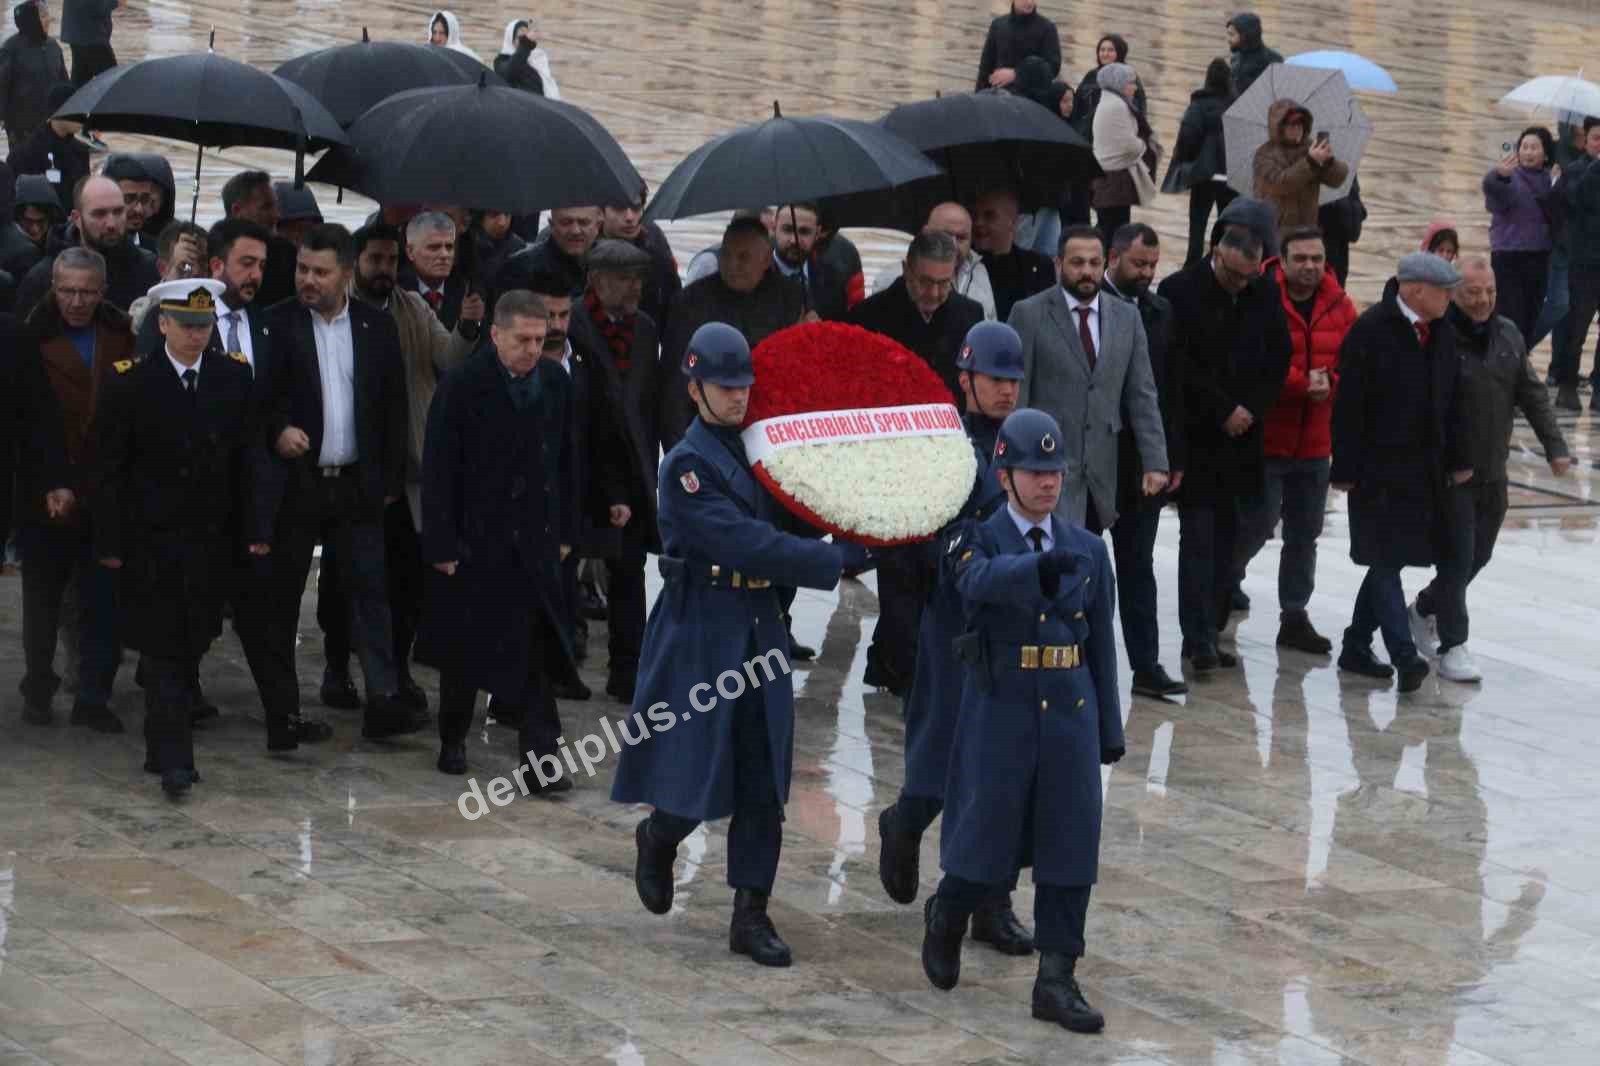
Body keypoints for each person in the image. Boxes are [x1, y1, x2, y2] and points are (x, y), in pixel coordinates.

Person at [614, 321, 844, 967]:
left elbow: (800, 507)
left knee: (762, 775)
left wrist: (857, 517)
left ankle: (751, 913)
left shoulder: (762, 447)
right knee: (695, 767)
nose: (738, 397)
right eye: (723, 386)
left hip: (759, 621)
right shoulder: (688, 465)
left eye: (744, 385)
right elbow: (746, 542)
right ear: (694, 388)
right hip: (702, 625)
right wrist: (828, 561)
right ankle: (660, 835)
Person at [920, 406, 1120, 1037]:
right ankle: (948, 913)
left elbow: (1100, 645)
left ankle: (1056, 978)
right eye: (1033, 471)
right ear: (1004, 474)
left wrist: (1108, 728)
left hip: (1068, 710)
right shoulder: (976, 537)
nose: (1047, 483)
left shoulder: (1087, 547)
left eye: (1054, 470)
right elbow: (975, 583)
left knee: (1070, 847)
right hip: (1001, 705)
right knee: (985, 836)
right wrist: (1036, 570)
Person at [878, 321, 1023, 948]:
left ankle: (992, 902)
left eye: (1014, 380)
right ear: (966, 379)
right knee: (939, 762)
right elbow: (909, 539)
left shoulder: (1023, 443)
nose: (1007, 392)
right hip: (949, 623)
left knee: (1001, 774)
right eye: (995, 379)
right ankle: (904, 822)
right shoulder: (942, 446)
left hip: (1007, 629)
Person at [92, 278, 268, 794]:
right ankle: (176, 760)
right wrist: (110, 541)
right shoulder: (130, 382)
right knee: (166, 648)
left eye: (204, 325)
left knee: (193, 641)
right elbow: (108, 470)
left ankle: (158, 743)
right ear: (162, 324)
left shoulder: (232, 379)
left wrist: (257, 529)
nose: (196, 335)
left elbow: (249, 459)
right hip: (152, 542)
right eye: (186, 325)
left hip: (212, 541)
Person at [258, 224, 418, 742]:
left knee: (371, 591)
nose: (307, 279)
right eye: (302, 269)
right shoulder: (276, 324)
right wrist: (278, 430)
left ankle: (383, 699)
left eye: (319, 272)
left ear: (346, 275)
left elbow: (394, 405)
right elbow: (258, 401)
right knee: (283, 597)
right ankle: (282, 709)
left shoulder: (375, 326)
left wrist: (388, 477)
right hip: (298, 483)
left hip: (357, 484)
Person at [416, 289, 584, 779]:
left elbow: (569, 461)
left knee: (537, 650)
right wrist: (442, 543)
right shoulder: (463, 384)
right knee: (466, 650)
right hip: (476, 539)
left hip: (535, 538)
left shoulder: (555, 382)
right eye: (523, 339)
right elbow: (439, 468)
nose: (533, 349)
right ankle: (453, 737)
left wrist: (568, 530)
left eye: (541, 339)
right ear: (495, 335)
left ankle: (542, 759)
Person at [317, 222, 480, 714]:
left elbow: (449, 359)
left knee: (406, 582)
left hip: (409, 473)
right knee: (343, 582)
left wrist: (469, 327)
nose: (385, 269)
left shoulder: (412, 307)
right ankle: (337, 668)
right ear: (353, 265)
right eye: (376, 260)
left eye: (392, 261)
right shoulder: (335, 312)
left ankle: (395, 673)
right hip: (354, 472)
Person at [1409, 257, 1569, 683]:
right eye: (1472, 293)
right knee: (1458, 557)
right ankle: (1453, 645)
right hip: (1452, 472)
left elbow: (1532, 394)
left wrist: (1556, 447)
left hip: (1492, 470)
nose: (1482, 301)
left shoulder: (1509, 335)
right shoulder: (1441, 339)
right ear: (1456, 294)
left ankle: (1424, 608)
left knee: (1479, 555)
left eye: (1489, 292)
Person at [849, 230, 985, 695]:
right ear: (907, 271)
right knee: (898, 571)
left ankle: (893, 662)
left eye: (944, 283)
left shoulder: (969, 316)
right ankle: (904, 671)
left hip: (946, 461)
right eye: (925, 282)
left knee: (937, 570)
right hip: (890, 464)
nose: (933, 293)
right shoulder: (870, 317)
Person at [1331, 252, 1473, 694]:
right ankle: (1404, 656)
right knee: (1385, 559)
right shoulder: (1371, 331)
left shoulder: (1443, 333)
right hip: (1376, 470)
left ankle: (1356, 643)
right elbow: (1349, 406)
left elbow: (1456, 400)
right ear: (1414, 290)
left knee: (1385, 559)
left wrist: (1459, 457)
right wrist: (1346, 467)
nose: (1452, 297)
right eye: (1444, 290)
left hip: (1424, 471)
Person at [1158, 209, 1291, 672]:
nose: (1240, 284)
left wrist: (1250, 408)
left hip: (1244, 441)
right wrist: (1222, 410)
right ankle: (1196, 641)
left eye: (1248, 276)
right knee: (1197, 541)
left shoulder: (1262, 293)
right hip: (1198, 439)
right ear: (1216, 254)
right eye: (1233, 275)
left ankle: (1213, 628)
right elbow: (1178, 367)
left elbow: (1278, 358)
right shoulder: (1179, 292)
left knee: (1232, 541)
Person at [16, 245, 130, 730]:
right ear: (53, 288)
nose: (77, 301)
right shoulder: (29, 337)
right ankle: (39, 687)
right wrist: (50, 483)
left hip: (106, 487)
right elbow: (23, 424)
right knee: (42, 601)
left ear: (102, 291)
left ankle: (93, 695)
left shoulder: (121, 333)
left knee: (103, 599)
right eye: (68, 291)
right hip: (46, 489)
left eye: (87, 292)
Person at [1233, 226, 1356, 654]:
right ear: (1281, 262)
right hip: (1268, 438)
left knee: (1305, 534)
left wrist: (1333, 382)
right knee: (1257, 524)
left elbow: (1353, 361)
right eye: (1300, 258)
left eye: (1316, 259)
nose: (1309, 267)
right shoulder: (1261, 299)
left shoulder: (1340, 305)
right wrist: (1301, 384)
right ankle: (1226, 580)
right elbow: (1254, 360)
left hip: (1315, 443)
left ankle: (1294, 614)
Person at [1011, 224, 1168, 530]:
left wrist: (1155, 461)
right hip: (1044, 470)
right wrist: (1014, 465)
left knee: (1086, 564)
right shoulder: (1029, 313)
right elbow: (1018, 396)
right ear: (1058, 264)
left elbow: (1142, 394)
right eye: (1077, 262)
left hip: (1100, 474)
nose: (1087, 271)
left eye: (1094, 263)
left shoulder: (1127, 317)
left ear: (1105, 263)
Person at [569, 238, 668, 703]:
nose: (636, 287)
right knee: (568, 568)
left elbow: (653, 401)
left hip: (634, 469)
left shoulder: (646, 330)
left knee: (630, 574)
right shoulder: (571, 324)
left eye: (639, 278)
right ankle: (565, 661)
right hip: (583, 468)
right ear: (596, 279)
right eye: (626, 278)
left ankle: (628, 670)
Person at [1097, 223, 1187, 697]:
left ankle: (1146, 665)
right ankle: (1084, 659)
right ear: (1114, 257)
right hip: (1095, 461)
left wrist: (1171, 457)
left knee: (1137, 566)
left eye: (1152, 266)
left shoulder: (1159, 312)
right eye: (1138, 264)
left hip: (1142, 464)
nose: (1147, 274)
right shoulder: (1091, 308)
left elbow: (1169, 392)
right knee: (1085, 565)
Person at [661, 216, 803, 448]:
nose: (732, 265)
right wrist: (678, 447)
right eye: (726, 255)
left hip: (771, 431)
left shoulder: (791, 298)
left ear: (766, 259)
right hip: (707, 432)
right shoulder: (689, 303)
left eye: (743, 257)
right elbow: (675, 386)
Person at [13, 174, 157, 316]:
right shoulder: (42, 278)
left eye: (118, 212)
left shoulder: (147, 268)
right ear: (76, 218)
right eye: (99, 214)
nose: (111, 224)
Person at [1482, 128, 1554, 345]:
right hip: (1509, 256)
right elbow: (1493, 192)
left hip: (1539, 255)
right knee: (1510, 315)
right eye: (1524, 147)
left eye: (1534, 147)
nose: (1528, 152)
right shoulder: (1511, 177)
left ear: (1545, 154)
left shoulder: (1550, 180)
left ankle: (1518, 359)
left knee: (1532, 314)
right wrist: (1498, 177)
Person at [873, 202, 995, 320]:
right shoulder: (891, 276)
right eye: (945, 235)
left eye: (961, 238)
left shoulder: (980, 271)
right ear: (925, 233)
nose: (953, 245)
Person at [1167, 58, 1236, 267]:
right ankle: (1219, 263)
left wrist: (1188, 162)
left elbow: (1188, 136)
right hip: (1231, 176)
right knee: (1227, 224)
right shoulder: (1237, 104)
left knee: (1197, 224)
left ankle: (1193, 265)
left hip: (1204, 175)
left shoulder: (1199, 105)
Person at [1252, 100, 1349, 230]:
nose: (1297, 129)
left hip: (1307, 229)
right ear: (1279, 127)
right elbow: (1279, 184)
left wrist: (1329, 162)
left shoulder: (1311, 147)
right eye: (1292, 125)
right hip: (1275, 230)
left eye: (1300, 124)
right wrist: (1310, 162)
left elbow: (1337, 180)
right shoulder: (1264, 154)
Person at [1090, 63, 1157, 248]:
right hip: (1114, 181)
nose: (1135, 88)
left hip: (1109, 178)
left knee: (1108, 227)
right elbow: (1128, 145)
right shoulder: (1117, 105)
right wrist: (1143, 145)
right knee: (1114, 231)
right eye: (1131, 83)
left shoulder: (1110, 101)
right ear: (1119, 83)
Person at [599, 181, 679, 333]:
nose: (629, 217)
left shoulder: (656, 242)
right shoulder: (582, 244)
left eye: (636, 208)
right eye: (619, 208)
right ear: (601, 211)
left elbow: (672, 299)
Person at [1559, 122, 1600, 411]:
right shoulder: (1576, 170)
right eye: (1597, 138)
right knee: (1577, 328)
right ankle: (1567, 384)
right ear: (1586, 141)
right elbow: (1577, 199)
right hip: (1584, 263)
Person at [973, 186, 1055, 322]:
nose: (978, 223)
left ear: (1013, 221)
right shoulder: (967, 267)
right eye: (975, 216)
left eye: (989, 216)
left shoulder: (1039, 265)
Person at [6, 82, 88, 215]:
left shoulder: (80, 151)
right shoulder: (27, 153)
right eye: (77, 110)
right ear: (59, 111)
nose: (84, 117)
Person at [495, 204, 600, 307]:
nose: (575, 231)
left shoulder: (609, 265)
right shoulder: (520, 268)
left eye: (584, 223)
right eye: (566, 223)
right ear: (551, 224)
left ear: (598, 225)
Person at [0, 1, 68, 157]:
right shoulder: (11, 49)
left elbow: (63, 80)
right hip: (21, 125)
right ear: (31, 20)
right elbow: (2, 85)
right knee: (22, 165)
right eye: (43, 16)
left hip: (49, 122)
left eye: (47, 15)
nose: (48, 19)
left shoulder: (53, 46)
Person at [221, 170, 297, 308]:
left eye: (276, 206)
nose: (277, 215)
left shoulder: (287, 254)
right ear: (237, 210)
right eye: (266, 207)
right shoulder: (210, 250)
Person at [771, 201, 850, 321]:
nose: (794, 240)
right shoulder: (753, 275)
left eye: (804, 232)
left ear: (817, 233)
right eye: (787, 229)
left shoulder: (833, 277)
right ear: (774, 227)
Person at [400, 211, 470, 331]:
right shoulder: (395, 293)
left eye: (449, 247)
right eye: (433, 247)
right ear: (410, 252)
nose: (444, 255)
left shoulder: (466, 291)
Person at [976, 0, 1059, 91]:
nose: (1029, 2)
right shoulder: (998, 25)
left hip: (1030, 97)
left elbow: (1052, 69)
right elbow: (985, 67)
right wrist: (978, 96)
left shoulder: (1047, 29)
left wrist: (1017, 74)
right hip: (999, 94)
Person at [494, 18, 559, 99]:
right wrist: (526, 43)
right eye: (521, 37)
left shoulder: (537, 59)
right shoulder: (502, 60)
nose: (524, 40)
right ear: (511, 39)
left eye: (527, 36)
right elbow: (511, 71)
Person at [60, 0, 116, 87]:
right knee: (112, 82)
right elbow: (98, 6)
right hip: (91, 36)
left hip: (79, 33)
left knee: (80, 84)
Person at [1225, 12, 1282, 97]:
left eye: (1232, 35)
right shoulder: (1235, 58)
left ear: (1245, 36)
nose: (1228, 39)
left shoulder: (1273, 62)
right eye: (1228, 34)